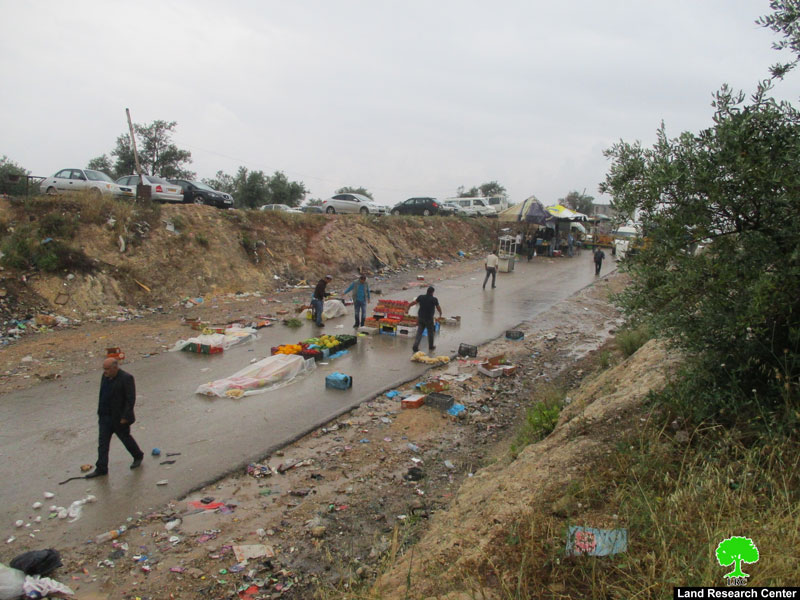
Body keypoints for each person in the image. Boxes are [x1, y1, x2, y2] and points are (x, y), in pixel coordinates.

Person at [86, 358, 144, 478]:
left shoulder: (126, 378)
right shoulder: (105, 377)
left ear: (115, 368)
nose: (105, 371)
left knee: (125, 439)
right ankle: (101, 468)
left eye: (107, 369)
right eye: (104, 369)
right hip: (105, 417)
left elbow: (130, 399)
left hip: (119, 418)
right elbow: (102, 394)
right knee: (103, 444)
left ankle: (138, 455)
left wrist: (125, 416)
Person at [409, 286, 443, 353]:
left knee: (419, 333)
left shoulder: (421, 297)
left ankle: (415, 346)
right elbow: (438, 307)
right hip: (429, 319)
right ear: (432, 292)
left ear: (427, 291)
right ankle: (431, 346)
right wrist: (440, 312)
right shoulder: (434, 299)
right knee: (430, 333)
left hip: (421, 318)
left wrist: (409, 306)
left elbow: (414, 302)